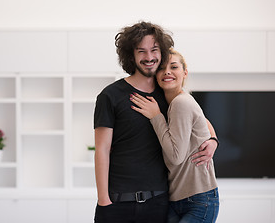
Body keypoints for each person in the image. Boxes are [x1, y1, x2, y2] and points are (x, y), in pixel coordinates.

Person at [93, 21, 218, 223]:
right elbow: (102, 149)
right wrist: (103, 200)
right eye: (141, 51)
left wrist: (212, 140)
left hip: (159, 203)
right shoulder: (110, 95)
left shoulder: (168, 94)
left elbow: (201, 120)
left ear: (162, 53)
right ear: (131, 55)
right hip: (117, 203)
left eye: (154, 50)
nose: (149, 57)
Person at [130, 48, 219, 222]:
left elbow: (176, 157)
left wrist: (156, 117)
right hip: (177, 198)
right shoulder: (169, 102)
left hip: (198, 200)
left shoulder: (181, 102)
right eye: (162, 68)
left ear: (185, 73)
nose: (167, 71)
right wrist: (213, 139)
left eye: (174, 67)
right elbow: (204, 122)